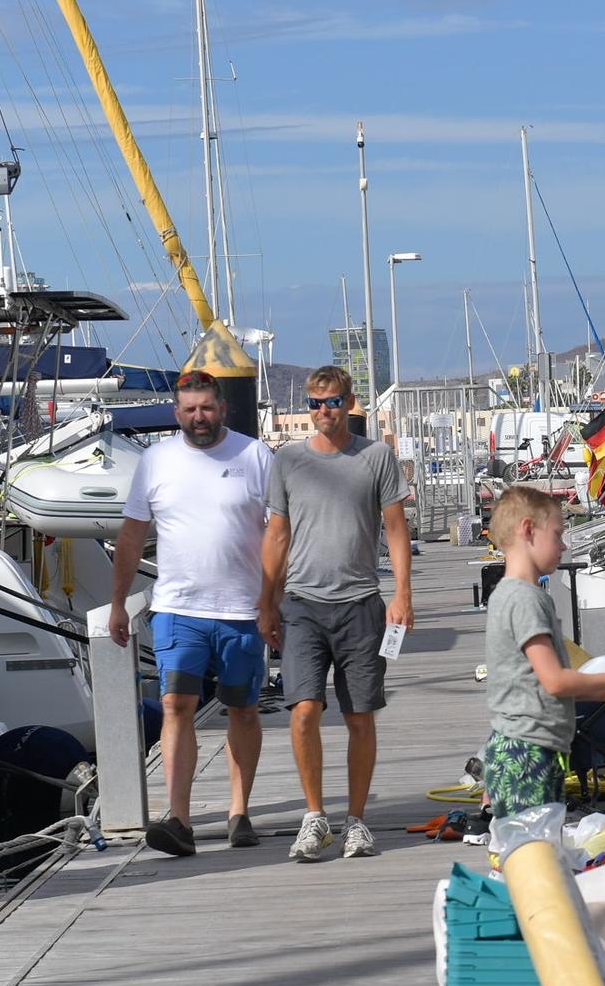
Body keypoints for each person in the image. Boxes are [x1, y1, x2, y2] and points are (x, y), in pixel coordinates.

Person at [110, 371, 273, 857]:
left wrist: (275, 602)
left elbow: (279, 533)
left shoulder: (254, 455)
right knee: (176, 705)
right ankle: (178, 819)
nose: (198, 417)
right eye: (189, 409)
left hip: (242, 610)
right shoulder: (156, 460)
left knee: (241, 708)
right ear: (176, 413)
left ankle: (238, 811)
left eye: (206, 407)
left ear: (222, 407)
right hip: (178, 608)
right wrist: (118, 602)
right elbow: (132, 535)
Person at [260, 366, 413, 861]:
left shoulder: (376, 457)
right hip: (302, 604)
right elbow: (277, 534)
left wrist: (403, 593)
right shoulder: (287, 461)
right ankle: (314, 817)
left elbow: (394, 529)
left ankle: (357, 821)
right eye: (314, 403)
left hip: (361, 604)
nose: (323, 411)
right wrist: (267, 601)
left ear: (350, 404)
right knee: (303, 711)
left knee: (360, 716)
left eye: (332, 402)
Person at [483, 486, 605, 816]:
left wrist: (603, 695)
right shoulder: (525, 600)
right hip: (528, 755)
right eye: (557, 535)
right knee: (533, 855)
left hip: (521, 748)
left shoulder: (510, 594)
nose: (564, 545)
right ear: (528, 530)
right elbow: (553, 681)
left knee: (529, 853)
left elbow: (531, 683)